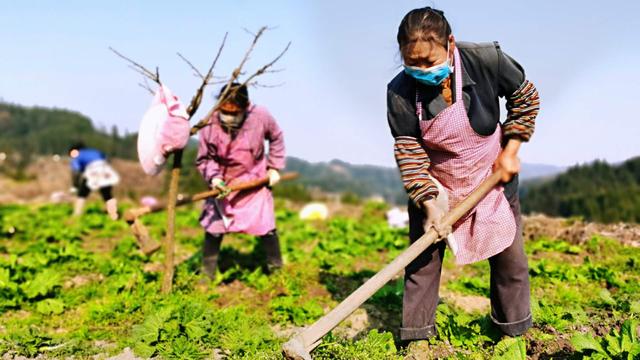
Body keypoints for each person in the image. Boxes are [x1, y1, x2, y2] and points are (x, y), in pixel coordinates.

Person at [386, 7, 541, 352]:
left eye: (429, 61)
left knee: (509, 257)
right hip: (436, 182)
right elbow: (409, 149)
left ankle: (513, 333)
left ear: (450, 44)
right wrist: (428, 204)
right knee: (422, 259)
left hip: (491, 174)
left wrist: (511, 151)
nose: (422, 71)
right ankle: (418, 339)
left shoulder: (485, 60)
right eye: (412, 63)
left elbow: (525, 98)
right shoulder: (399, 91)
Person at [196, 83, 286, 279]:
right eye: (224, 112)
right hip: (223, 184)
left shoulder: (260, 116)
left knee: (266, 226)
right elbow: (205, 158)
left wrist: (274, 167)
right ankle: (206, 274)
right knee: (214, 228)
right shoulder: (209, 124)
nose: (228, 117)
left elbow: (276, 138)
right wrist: (215, 178)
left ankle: (278, 274)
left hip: (255, 181)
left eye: (234, 113)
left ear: (245, 109)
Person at [68, 142, 120, 220]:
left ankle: (76, 214)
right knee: (107, 193)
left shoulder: (77, 156)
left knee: (82, 193)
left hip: (92, 171)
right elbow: (106, 159)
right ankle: (114, 216)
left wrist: (75, 185)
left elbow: (76, 172)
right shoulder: (94, 151)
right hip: (104, 169)